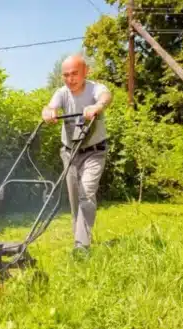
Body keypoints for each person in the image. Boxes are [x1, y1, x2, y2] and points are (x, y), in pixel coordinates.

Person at [41, 54, 112, 254]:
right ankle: (79, 241)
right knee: (74, 199)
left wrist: (97, 106)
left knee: (86, 193)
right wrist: (48, 112)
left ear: (85, 72)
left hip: (94, 152)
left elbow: (106, 96)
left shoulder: (95, 88)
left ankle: (82, 246)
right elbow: (50, 106)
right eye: (66, 75)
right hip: (70, 152)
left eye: (74, 74)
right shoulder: (62, 92)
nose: (70, 78)